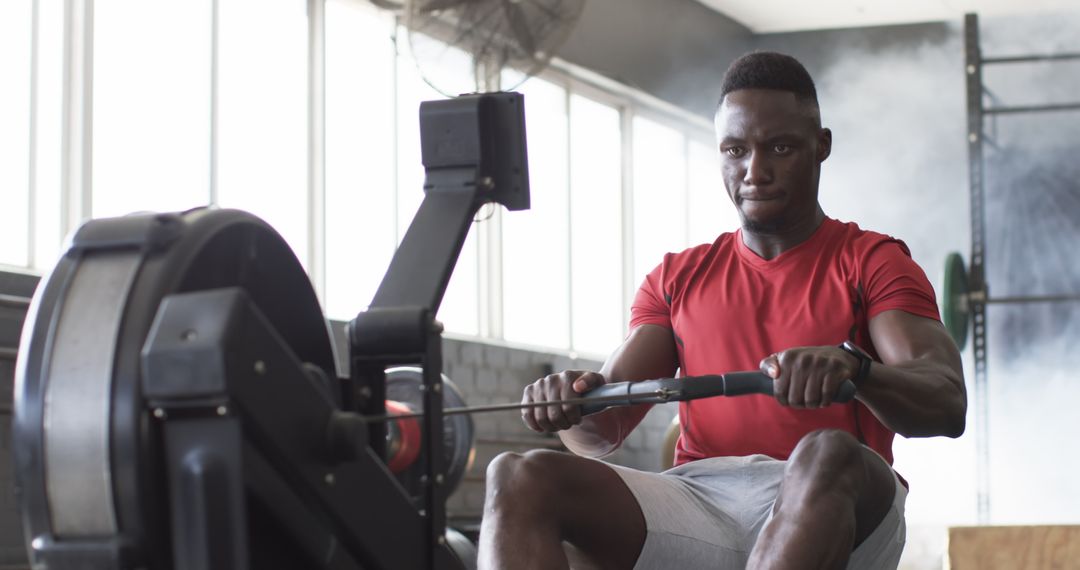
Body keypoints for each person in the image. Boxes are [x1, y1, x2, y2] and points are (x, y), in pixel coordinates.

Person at [477, 51, 966, 570]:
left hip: (838, 501)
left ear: (821, 147)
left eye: (779, 148)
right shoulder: (677, 277)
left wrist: (856, 369)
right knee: (517, 475)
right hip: (702, 500)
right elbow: (600, 434)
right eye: (735, 150)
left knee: (827, 451)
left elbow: (946, 402)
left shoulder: (871, 260)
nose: (755, 171)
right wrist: (568, 405)